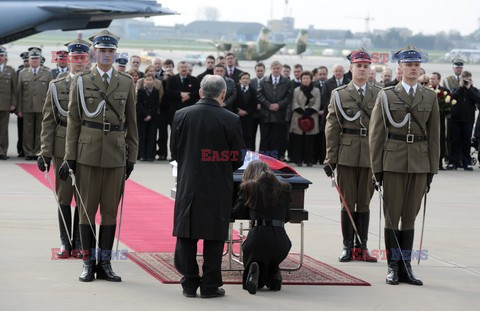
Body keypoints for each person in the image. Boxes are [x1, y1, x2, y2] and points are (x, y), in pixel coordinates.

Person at [59, 29, 138, 283]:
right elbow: (73, 121)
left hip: (115, 154)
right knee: (86, 210)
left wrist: (131, 156)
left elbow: (132, 124)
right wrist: (70, 157)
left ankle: (104, 263)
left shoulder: (126, 82)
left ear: (115, 54)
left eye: (110, 51)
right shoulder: (82, 81)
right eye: (102, 51)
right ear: (94, 53)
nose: (106, 55)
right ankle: (87, 262)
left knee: (111, 212)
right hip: (87, 154)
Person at [369, 44, 440, 286]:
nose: (413, 68)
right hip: (393, 162)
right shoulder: (386, 95)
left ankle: (406, 267)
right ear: (399, 67)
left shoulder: (430, 97)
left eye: (416, 64)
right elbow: (376, 134)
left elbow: (434, 135)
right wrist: (376, 168)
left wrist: (432, 169)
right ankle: (392, 267)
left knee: (409, 217)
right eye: (408, 64)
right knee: (392, 216)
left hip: (419, 163)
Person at [170, 74, 245, 298]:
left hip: (189, 181)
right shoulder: (231, 119)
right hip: (217, 183)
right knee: (214, 236)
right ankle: (210, 285)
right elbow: (238, 157)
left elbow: (175, 150)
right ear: (223, 94)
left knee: (187, 234)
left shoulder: (181, 115)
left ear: (200, 92)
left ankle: (189, 283)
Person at [324, 48, 381, 263]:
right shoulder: (339, 94)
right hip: (347, 154)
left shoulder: (379, 93)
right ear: (351, 68)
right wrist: (331, 159)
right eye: (359, 66)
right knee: (347, 202)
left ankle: (362, 247)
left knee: (364, 203)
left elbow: (382, 129)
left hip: (369, 155)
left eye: (366, 66)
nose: (362, 70)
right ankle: (347, 246)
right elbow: (332, 127)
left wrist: (381, 159)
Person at [38, 39, 91, 258]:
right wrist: (45, 152)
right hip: (61, 146)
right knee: (63, 196)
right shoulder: (56, 85)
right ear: (68, 60)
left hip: (85, 147)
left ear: (87, 60)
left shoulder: (92, 84)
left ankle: (79, 241)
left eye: (82, 58)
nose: (78, 62)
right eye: (75, 58)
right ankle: (64, 241)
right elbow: (49, 121)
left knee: (82, 196)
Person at [232, 161, 292, 294]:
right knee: (270, 257)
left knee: (255, 253)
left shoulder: (248, 187)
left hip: (257, 240)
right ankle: (274, 274)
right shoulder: (284, 187)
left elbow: (237, 213)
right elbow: (287, 217)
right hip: (281, 243)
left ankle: (255, 274)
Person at [17, 47, 53, 160]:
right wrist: (19, 109)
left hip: (42, 107)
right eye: (32, 58)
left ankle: (38, 152)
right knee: (27, 132)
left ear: (40, 59)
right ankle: (28, 153)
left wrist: (50, 108)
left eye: (37, 58)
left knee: (40, 131)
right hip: (27, 107)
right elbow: (19, 92)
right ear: (29, 59)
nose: (35, 61)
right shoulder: (22, 73)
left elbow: (50, 93)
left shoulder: (47, 73)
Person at [258, 61, 293, 161]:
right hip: (266, 115)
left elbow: (289, 96)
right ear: (271, 69)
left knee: (276, 139)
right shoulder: (264, 81)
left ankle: (274, 161)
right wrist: (268, 105)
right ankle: (262, 160)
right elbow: (259, 94)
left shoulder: (287, 82)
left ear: (281, 69)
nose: (276, 70)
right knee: (265, 138)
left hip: (279, 115)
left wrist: (279, 105)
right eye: (274, 68)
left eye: (278, 68)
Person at [448, 71, 480, 171]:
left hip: (468, 120)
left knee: (466, 142)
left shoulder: (474, 90)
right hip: (456, 119)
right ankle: (453, 162)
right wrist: (461, 87)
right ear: (461, 80)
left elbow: (477, 100)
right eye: (465, 80)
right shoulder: (456, 89)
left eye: (469, 80)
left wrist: (469, 88)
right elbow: (452, 97)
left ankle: (467, 162)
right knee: (455, 141)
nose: (467, 82)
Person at [290, 71, 321, 167]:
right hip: (298, 116)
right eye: (304, 78)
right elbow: (294, 102)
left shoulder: (316, 90)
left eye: (308, 78)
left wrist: (309, 112)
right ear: (301, 80)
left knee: (309, 140)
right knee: (298, 140)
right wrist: (302, 112)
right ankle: (298, 160)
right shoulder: (296, 90)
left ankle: (309, 160)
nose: (306, 80)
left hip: (311, 117)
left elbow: (317, 102)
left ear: (311, 79)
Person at [165, 61, 200, 125]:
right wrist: (180, 94)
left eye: (185, 67)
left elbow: (198, 92)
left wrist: (189, 95)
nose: (183, 69)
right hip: (175, 111)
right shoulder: (171, 80)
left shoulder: (195, 80)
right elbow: (168, 92)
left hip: (189, 111)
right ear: (178, 69)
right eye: (181, 67)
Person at [136, 74, 160, 161]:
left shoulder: (156, 91)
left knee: (152, 137)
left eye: (151, 80)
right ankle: (142, 155)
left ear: (153, 81)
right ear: (144, 81)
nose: (149, 81)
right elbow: (139, 104)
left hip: (153, 117)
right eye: (147, 79)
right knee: (142, 136)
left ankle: (150, 155)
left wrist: (150, 115)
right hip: (142, 117)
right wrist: (146, 115)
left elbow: (156, 104)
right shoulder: (140, 91)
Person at [429, 72, 449, 170]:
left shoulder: (444, 91)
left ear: (439, 80)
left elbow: (448, 106)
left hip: (440, 120)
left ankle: (440, 162)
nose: (431, 80)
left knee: (440, 140)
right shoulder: (426, 90)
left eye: (433, 79)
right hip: (428, 121)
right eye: (430, 78)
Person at [0, 46, 17, 160]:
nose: (0, 57)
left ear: (5, 58)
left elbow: (14, 89)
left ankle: (2, 151)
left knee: (3, 130)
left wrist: (13, 104)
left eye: (2, 55)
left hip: (5, 105)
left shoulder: (10, 70)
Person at [234, 72, 257, 150]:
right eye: (243, 78)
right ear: (240, 80)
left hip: (248, 118)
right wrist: (237, 111)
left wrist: (246, 112)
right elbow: (232, 102)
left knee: (248, 136)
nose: (245, 80)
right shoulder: (235, 89)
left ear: (249, 80)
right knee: (237, 136)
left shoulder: (253, 90)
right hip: (237, 117)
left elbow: (254, 104)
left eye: (247, 78)